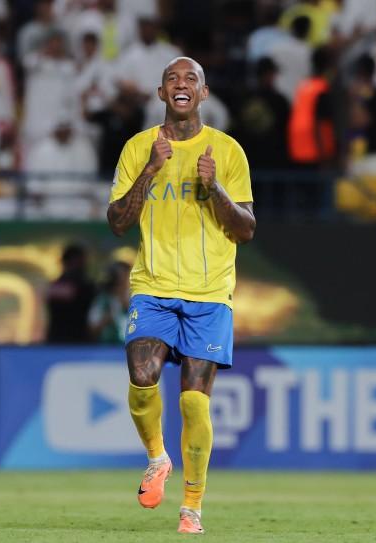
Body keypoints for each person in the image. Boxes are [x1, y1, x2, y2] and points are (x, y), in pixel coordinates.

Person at [105, 56, 256, 534]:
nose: (181, 84)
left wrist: (214, 189)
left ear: (204, 93)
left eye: (191, 78)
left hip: (209, 294)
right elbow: (117, 222)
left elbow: (246, 229)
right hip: (153, 286)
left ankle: (191, 508)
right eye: (172, 78)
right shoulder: (139, 148)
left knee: (194, 403)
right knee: (141, 373)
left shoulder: (227, 151)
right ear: (161, 94)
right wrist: (150, 170)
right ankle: (157, 458)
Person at [45, 243, 96, 343]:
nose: (81, 266)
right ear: (66, 262)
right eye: (77, 262)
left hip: (81, 340)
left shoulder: (88, 287)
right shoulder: (56, 285)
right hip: (58, 340)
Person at [87, 260, 132, 343]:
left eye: (125, 277)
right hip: (106, 348)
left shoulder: (137, 300)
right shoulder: (102, 300)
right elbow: (92, 330)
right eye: (118, 280)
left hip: (132, 347)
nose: (122, 283)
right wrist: (108, 318)